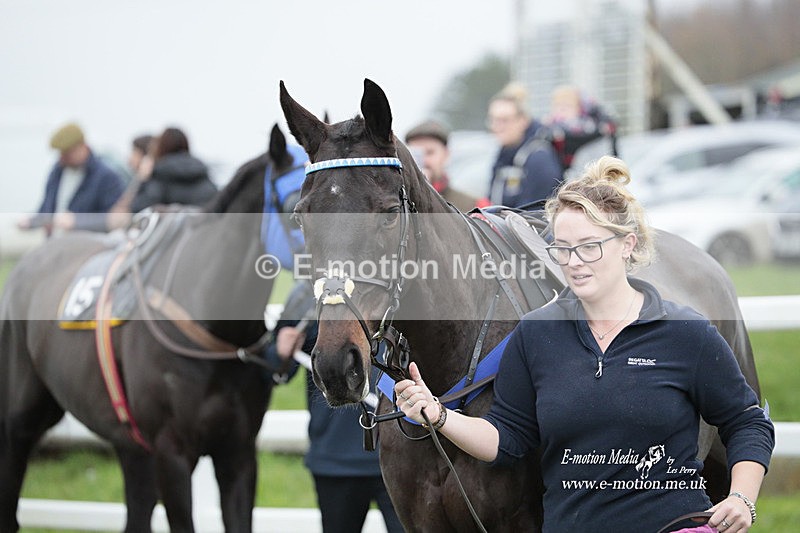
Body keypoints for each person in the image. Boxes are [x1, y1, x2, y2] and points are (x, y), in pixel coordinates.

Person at [394, 155, 774, 532]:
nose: (573, 262)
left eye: (589, 247)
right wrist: (438, 415)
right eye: (562, 248)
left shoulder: (685, 332)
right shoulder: (535, 334)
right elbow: (507, 438)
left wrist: (742, 498)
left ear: (627, 245)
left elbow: (747, 422)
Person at [264, 280, 404, 533]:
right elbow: (275, 373)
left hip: (403, 455)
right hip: (335, 458)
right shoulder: (307, 294)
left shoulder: (399, 289)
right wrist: (279, 352)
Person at [18, 122, 125, 235]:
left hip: (87, 246)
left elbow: (114, 220)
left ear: (82, 146)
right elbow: (46, 209)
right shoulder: (57, 172)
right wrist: (32, 221)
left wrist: (77, 222)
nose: (62, 158)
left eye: (67, 153)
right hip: (55, 243)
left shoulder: (106, 176)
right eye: (61, 153)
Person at [486, 82, 563, 209]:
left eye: (504, 120)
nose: (497, 127)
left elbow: (538, 215)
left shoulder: (539, 158)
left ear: (523, 121)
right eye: (493, 120)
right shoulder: (503, 155)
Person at [129, 127, 217, 213]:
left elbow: (139, 208)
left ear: (161, 147)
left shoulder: (159, 175)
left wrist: (143, 179)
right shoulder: (202, 173)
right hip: (204, 225)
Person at [405, 120, 477, 212]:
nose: (423, 160)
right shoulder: (396, 203)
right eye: (415, 154)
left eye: (430, 152)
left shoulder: (473, 205)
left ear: (446, 155)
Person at [543, 85, 618, 171]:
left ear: (579, 108)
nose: (562, 110)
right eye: (558, 105)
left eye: (568, 105)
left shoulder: (591, 128)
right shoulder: (549, 130)